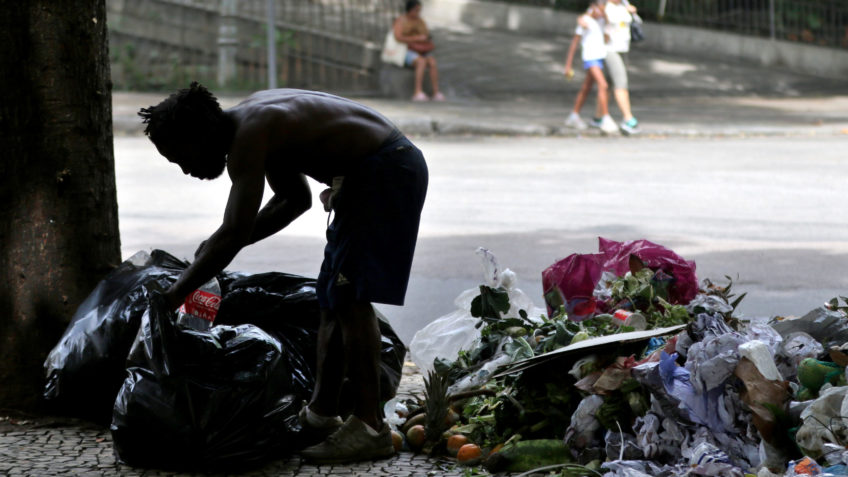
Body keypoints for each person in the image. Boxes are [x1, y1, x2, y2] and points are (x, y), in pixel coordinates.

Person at [138, 83, 428, 463]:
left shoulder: (251, 133)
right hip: (369, 175)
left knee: (352, 299)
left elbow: (236, 230)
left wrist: (175, 293)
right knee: (332, 300)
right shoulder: (256, 124)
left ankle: (370, 426)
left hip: (386, 171)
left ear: (200, 135)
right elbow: (294, 200)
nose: (186, 169)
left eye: (181, 156)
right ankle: (321, 415)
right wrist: (213, 249)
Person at [563, 0, 618, 135]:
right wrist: (568, 65)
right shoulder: (585, 21)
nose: (602, 10)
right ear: (593, 7)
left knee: (586, 88)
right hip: (590, 57)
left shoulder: (602, 21)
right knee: (603, 85)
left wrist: (605, 18)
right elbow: (574, 44)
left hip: (599, 57)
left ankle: (573, 115)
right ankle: (605, 118)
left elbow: (607, 37)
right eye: (600, 7)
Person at [589, 0, 640, 135]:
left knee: (607, 85)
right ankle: (628, 119)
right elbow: (590, 15)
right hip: (610, 49)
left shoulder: (623, 5)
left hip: (622, 49)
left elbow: (635, 22)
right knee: (621, 83)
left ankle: (598, 117)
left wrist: (631, 11)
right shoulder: (605, 7)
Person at [393, 0, 445, 102]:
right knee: (421, 62)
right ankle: (417, 91)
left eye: (419, 10)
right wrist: (416, 38)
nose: (418, 13)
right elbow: (398, 37)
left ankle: (436, 92)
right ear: (410, 10)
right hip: (405, 50)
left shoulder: (420, 21)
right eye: (416, 10)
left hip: (421, 50)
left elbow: (426, 34)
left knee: (432, 62)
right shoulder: (401, 20)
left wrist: (423, 38)